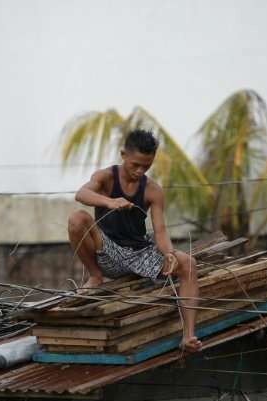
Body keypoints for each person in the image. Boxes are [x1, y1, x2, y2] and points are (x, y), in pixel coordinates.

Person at [67, 129, 202, 352]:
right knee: (76, 219)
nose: (140, 171)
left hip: (140, 253)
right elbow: (81, 194)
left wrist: (169, 253)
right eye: (135, 165)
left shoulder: (153, 190)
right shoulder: (105, 177)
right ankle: (95, 276)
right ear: (123, 155)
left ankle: (188, 336)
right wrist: (109, 202)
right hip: (107, 251)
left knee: (188, 263)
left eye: (146, 166)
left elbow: (159, 230)